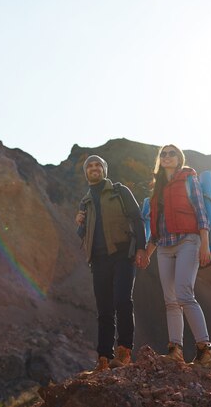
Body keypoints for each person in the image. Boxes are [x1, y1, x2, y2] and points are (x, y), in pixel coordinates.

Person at [143, 144, 211, 367]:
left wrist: (205, 244)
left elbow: (201, 212)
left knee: (184, 294)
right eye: (163, 154)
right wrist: (146, 253)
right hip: (164, 247)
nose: (166, 156)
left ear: (179, 158)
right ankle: (175, 350)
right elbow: (155, 228)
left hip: (188, 241)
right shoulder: (157, 188)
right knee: (170, 301)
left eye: (171, 153)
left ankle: (205, 350)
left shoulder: (188, 178)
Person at [75, 155, 148, 371]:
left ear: (105, 170)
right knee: (104, 310)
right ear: (86, 172)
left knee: (122, 301)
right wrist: (80, 224)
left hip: (123, 254)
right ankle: (104, 358)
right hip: (98, 261)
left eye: (98, 165)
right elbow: (84, 234)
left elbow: (137, 218)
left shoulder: (119, 191)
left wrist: (141, 249)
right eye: (90, 166)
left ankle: (125, 351)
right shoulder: (85, 201)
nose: (94, 168)